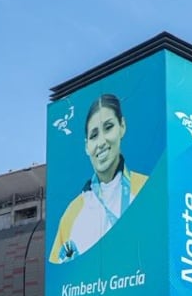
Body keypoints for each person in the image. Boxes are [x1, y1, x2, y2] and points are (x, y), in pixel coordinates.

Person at [49, 93, 148, 263]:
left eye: (108, 127)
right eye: (94, 135)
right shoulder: (71, 214)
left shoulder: (148, 190)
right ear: (86, 146)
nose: (101, 142)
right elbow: (59, 274)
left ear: (122, 126)